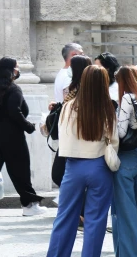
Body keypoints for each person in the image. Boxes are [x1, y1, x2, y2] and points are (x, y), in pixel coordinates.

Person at [46, 65, 118, 257]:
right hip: (100, 166)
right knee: (96, 220)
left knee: (65, 217)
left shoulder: (68, 106)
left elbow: (62, 135)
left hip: (74, 165)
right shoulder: (108, 107)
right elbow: (114, 140)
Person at [0, 56, 47, 217]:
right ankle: (29, 205)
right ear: (11, 70)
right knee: (20, 171)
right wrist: (29, 127)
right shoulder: (13, 89)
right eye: (17, 67)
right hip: (12, 137)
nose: (18, 70)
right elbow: (15, 111)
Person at [111, 65, 137, 257]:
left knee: (126, 214)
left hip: (129, 157)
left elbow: (120, 131)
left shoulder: (129, 97)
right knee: (133, 210)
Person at [51, 55, 92, 189]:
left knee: (59, 174)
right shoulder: (82, 88)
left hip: (72, 140)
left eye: (71, 67)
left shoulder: (75, 90)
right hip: (76, 139)